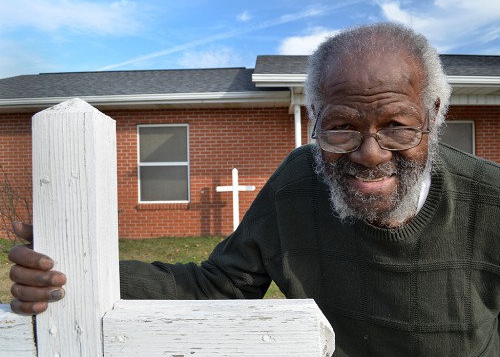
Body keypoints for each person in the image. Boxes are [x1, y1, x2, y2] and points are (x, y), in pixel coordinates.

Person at [8, 22, 500, 356]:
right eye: (341, 127)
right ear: (314, 121)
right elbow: (217, 287)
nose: (369, 154)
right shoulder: (296, 185)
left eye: (397, 125)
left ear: (434, 117)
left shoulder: (491, 202)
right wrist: (77, 272)